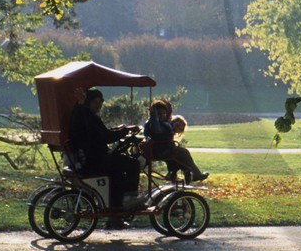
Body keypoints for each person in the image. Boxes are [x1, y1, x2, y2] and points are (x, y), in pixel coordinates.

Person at [66, 88, 142, 224]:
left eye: (100, 102)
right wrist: (125, 131)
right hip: (94, 160)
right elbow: (105, 137)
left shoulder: (84, 115)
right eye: (95, 102)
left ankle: (115, 214)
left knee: (117, 173)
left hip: (89, 159)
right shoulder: (87, 116)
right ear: (88, 102)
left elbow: (103, 133)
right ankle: (130, 198)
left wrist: (123, 130)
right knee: (133, 164)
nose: (98, 105)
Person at [143, 100, 208, 183]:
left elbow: (167, 116)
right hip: (161, 150)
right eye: (159, 114)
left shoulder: (160, 123)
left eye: (164, 113)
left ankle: (175, 173)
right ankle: (195, 174)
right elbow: (156, 128)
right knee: (184, 152)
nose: (162, 116)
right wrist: (153, 115)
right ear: (155, 115)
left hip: (161, 149)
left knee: (176, 157)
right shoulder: (155, 124)